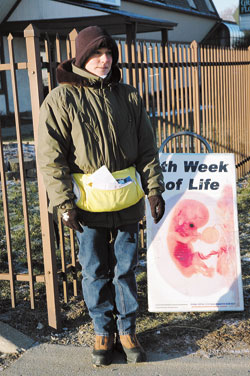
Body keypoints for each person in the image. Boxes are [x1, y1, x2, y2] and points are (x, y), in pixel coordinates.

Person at [37, 25, 165, 366]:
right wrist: (64, 203)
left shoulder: (128, 96)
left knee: (125, 269)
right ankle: (102, 331)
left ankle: (127, 330)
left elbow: (147, 149)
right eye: (96, 54)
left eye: (108, 54)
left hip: (125, 200)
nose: (104, 60)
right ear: (82, 58)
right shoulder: (61, 99)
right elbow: (52, 159)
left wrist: (154, 188)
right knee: (94, 270)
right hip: (86, 204)